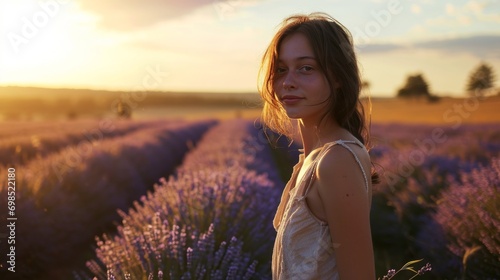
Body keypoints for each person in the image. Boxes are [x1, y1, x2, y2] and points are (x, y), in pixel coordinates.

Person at [258, 12, 379, 279]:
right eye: (281, 69)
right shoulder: (312, 158)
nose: (288, 81)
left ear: (337, 77)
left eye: (306, 68)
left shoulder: (337, 159)